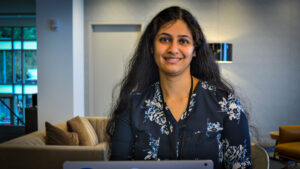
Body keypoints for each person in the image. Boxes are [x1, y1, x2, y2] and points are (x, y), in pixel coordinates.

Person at [107, 6, 252, 169]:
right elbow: (117, 166)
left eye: (183, 41)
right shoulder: (132, 106)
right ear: (151, 47)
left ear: (195, 50)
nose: (173, 49)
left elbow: (241, 166)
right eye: (164, 39)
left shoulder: (227, 105)